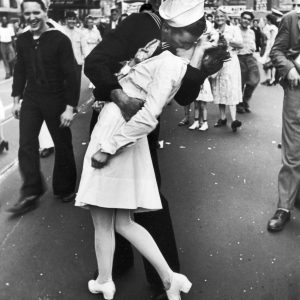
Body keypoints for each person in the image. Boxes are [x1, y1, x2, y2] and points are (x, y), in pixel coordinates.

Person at [84, 0, 226, 298]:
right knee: (110, 202)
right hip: (115, 112)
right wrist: (118, 94)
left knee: (147, 199)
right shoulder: (138, 24)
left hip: (140, 127)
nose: (180, 36)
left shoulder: (195, 37)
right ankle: (113, 266)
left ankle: (161, 275)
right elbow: (95, 62)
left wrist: (199, 62)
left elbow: (185, 96)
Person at [7, 0, 78, 214]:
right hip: (32, 98)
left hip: (56, 98)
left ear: (45, 12)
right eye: (27, 14)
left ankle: (64, 188)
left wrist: (69, 107)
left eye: (36, 12)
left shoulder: (60, 39)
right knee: (26, 145)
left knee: (62, 143)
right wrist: (16, 100)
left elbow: (72, 75)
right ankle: (31, 191)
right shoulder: (22, 40)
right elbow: (20, 70)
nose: (32, 18)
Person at [267, 8, 300, 232]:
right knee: (293, 150)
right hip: (297, 90)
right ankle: (284, 207)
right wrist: (288, 69)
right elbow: (276, 51)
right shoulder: (291, 18)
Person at [210, 9, 243, 132]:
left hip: (231, 61)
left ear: (226, 17)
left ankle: (234, 120)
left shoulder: (234, 29)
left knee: (231, 87)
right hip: (218, 62)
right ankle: (222, 118)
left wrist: (228, 40)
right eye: (217, 16)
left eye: (221, 16)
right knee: (220, 87)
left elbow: (241, 44)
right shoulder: (212, 31)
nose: (219, 18)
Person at [236, 11, 260, 114]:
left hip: (250, 58)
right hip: (238, 58)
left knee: (254, 80)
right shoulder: (235, 30)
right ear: (240, 19)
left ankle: (245, 100)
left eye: (248, 19)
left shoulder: (251, 32)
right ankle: (239, 104)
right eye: (244, 18)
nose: (246, 21)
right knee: (240, 83)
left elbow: (253, 45)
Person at [63, 11, 86, 97]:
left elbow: (84, 48)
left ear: (76, 20)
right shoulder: (61, 31)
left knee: (76, 84)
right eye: (69, 19)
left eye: (73, 19)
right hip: (64, 63)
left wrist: (85, 59)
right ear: (66, 20)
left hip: (77, 63)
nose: (71, 21)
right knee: (65, 84)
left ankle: (74, 106)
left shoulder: (80, 32)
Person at [260, 14, 278, 86]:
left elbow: (272, 39)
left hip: (271, 47)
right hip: (269, 46)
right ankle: (270, 79)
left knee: (271, 64)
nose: (266, 21)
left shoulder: (272, 27)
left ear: (269, 20)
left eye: (266, 19)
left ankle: (272, 79)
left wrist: (271, 49)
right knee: (270, 64)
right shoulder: (272, 27)